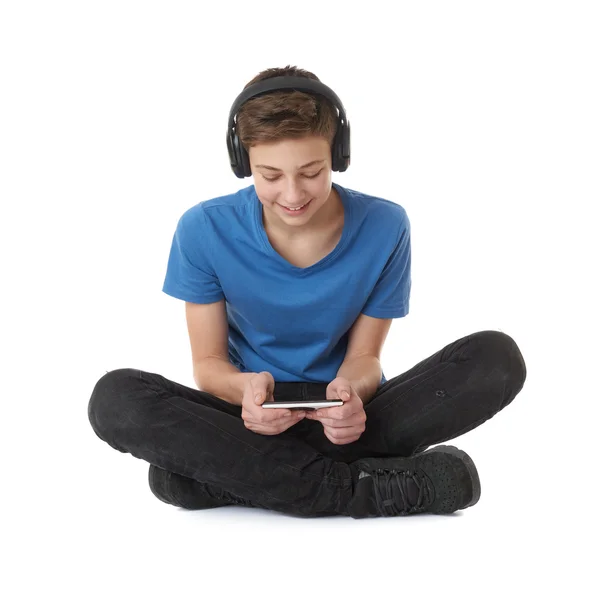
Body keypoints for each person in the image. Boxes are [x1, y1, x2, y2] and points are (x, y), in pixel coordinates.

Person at [87, 65, 527, 519]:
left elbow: (365, 359)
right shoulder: (202, 229)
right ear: (243, 163)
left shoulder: (385, 225)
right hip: (245, 422)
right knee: (115, 398)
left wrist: (350, 395)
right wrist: (244, 392)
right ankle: (360, 489)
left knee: (495, 358)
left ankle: (242, 479)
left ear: (337, 155)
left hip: (348, 419)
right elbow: (209, 365)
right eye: (270, 175)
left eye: (311, 172)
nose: (292, 193)